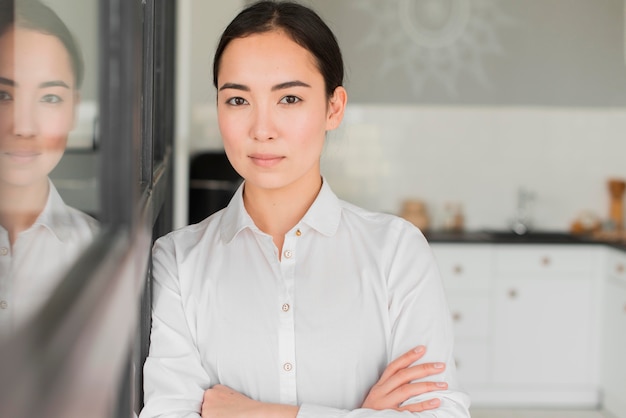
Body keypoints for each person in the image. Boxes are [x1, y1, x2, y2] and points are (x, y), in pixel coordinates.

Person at [141, 1, 471, 417]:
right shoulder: (177, 261)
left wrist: (253, 412)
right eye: (238, 101)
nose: (262, 130)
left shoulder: (396, 252)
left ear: (334, 108)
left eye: (290, 98)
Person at [0, 0, 98, 337]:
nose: (23, 127)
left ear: (73, 109)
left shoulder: (99, 257)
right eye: (3, 95)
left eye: (50, 98)